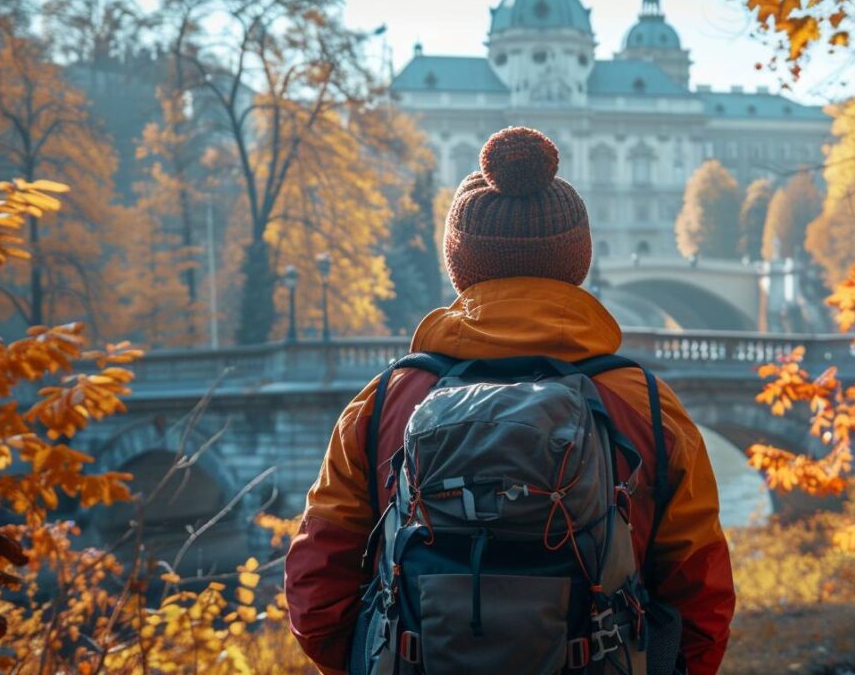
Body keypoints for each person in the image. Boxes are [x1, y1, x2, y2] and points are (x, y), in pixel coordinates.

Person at [285, 126, 735, 675]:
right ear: (577, 261)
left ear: (459, 263)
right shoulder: (644, 405)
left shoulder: (387, 402)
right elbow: (702, 590)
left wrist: (368, 662)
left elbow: (315, 581)